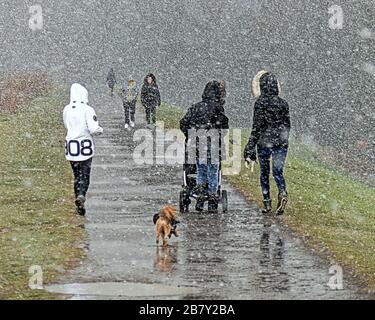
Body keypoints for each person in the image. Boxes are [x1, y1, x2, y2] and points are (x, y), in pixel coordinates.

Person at [244, 71, 291, 215]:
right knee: (277, 171)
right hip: (281, 142)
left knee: (264, 172)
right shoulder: (283, 103)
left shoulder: (260, 103)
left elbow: (257, 127)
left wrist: (250, 145)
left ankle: (267, 203)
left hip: (264, 142)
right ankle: (282, 192)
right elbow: (287, 125)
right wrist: (283, 138)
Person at [180, 81, 229, 213]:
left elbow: (183, 122)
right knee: (213, 170)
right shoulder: (218, 109)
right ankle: (212, 197)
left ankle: (200, 194)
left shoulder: (196, 107)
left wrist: (189, 134)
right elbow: (224, 126)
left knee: (201, 169)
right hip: (214, 145)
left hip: (199, 145)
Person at [63, 83, 103, 216]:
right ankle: (81, 195)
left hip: (71, 146)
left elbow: (66, 125)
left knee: (76, 174)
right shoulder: (87, 109)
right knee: (85, 174)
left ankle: (78, 198)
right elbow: (93, 128)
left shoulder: (67, 109)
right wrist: (99, 130)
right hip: (84, 146)